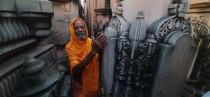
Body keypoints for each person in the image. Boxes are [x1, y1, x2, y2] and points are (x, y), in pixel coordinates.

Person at [65, 18, 107, 97]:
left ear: (85, 28)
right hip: (81, 90)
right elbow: (75, 71)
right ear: (72, 31)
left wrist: (100, 50)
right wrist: (93, 51)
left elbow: (99, 62)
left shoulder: (91, 42)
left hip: (95, 86)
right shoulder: (69, 47)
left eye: (82, 27)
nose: (80, 30)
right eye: (76, 28)